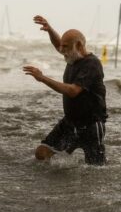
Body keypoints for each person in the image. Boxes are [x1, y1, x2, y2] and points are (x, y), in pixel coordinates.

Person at [23, 15, 108, 166]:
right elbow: (59, 45)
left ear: (80, 46)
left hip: (91, 125)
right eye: (62, 47)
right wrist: (49, 30)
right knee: (42, 153)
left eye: (66, 47)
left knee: (95, 170)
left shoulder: (92, 64)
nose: (62, 51)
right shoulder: (72, 56)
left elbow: (73, 91)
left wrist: (42, 78)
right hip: (70, 122)